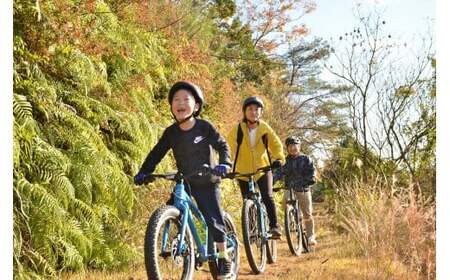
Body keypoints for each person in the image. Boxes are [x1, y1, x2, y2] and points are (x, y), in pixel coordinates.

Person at [134, 81, 232, 279]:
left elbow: (222, 146)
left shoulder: (204, 127)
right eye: (176, 100)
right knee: (172, 207)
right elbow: (156, 153)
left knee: (213, 219)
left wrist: (224, 163)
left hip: (207, 180)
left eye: (185, 99)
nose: (180, 103)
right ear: (171, 107)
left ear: (196, 106)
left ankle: (223, 258)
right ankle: (182, 244)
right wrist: (144, 172)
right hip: (185, 181)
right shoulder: (171, 133)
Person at [227, 96, 285, 239]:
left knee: (267, 196)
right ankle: (252, 231)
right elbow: (228, 147)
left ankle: (274, 226)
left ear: (261, 112)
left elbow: (276, 145)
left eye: (256, 109)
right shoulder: (238, 129)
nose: (253, 112)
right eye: (250, 109)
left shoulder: (265, 128)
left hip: (263, 169)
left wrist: (278, 158)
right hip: (242, 171)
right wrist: (226, 163)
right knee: (247, 200)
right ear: (245, 112)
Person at [274, 136, 317, 246]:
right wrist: (271, 183)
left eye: (295, 146)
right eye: (290, 146)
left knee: (307, 213)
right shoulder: (285, 161)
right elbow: (278, 174)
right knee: (284, 204)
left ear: (299, 146)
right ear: (287, 148)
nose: (293, 148)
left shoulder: (306, 159)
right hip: (289, 188)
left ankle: (310, 236)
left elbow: (312, 172)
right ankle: (291, 222)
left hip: (303, 188)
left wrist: (310, 179)